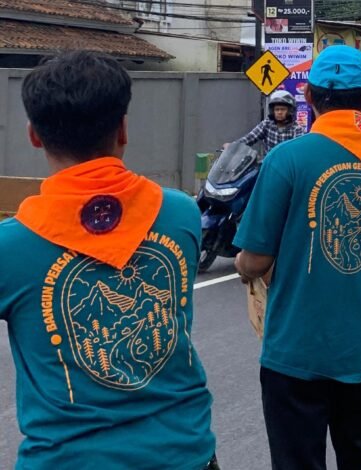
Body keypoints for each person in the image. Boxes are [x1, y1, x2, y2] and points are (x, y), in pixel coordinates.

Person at [0, 51, 217, 468]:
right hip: (184, 455)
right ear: (123, 129)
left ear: (33, 135)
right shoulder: (181, 216)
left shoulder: (11, 247)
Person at [232, 45, 361, 469]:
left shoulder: (286, 160)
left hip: (295, 355)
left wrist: (245, 269)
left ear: (312, 98)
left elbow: (255, 260)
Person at [230, 90, 304, 152]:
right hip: (268, 165)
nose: (279, 112)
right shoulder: (267, 124)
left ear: (290, 111)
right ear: (272, 111)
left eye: (283, 109)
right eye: (277, 109)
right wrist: (233, 146)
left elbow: (298, 150)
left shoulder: (296, 129)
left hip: (287, 166)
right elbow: (250, 137)